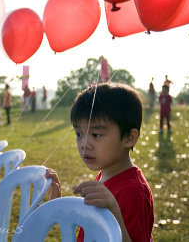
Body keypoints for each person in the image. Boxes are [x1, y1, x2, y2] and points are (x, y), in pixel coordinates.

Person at [45, 83, 154, 242]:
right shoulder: (105, 175)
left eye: (95, 134)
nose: (84, 144)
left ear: (129, 138)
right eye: (79, 134)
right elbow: (89, 223)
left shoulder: (133, 192)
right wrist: (58, 204)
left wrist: (114, 211)